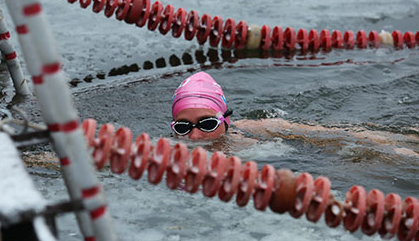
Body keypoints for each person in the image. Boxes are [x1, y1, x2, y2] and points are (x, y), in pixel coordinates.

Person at [171, 71, 419, 159]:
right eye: (182, 127)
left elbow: (333, 135)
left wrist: (393, 142)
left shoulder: (256, 129)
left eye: (207, 123)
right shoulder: (167, 150)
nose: (194, 135)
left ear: (225, 119)